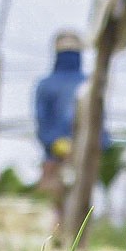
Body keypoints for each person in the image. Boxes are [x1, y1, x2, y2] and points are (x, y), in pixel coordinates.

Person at [33, 30, 87, 207]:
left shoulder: (89, 84)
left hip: (84, 155)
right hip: (54, 157)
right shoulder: (46, 85)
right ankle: (54, 233)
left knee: (80, 203)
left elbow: (97, 120)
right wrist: (55, 143)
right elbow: (43, 120)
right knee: (51, 200)